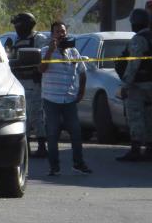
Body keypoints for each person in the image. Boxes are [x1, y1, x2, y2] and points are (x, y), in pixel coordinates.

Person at [39, 21, 92, 176]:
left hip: (69, 99)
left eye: (63, 31)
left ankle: (78, 163)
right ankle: (54, 167)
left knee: (76, 132)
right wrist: (50, 51)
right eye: (57, 32)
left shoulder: (73, 52)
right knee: (53, 134)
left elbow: (83, 72)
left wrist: (81, 91)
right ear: (52, 34)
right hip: (51, 99)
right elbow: (41, 69)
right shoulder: (44, 51)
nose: (61, 34)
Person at [8, 12, 49, 158]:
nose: (16, 28)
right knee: (21, 115)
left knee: (35, 114)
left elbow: (43, 57)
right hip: (18, 82)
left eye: (18, 25)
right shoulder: (17, 40)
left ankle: (42, 145)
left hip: (33, 81)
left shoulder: (39, 39)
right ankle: (25, 147)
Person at [117, 9, 152, 161]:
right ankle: (150, 149)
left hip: (138, 85)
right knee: (150, 116)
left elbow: (134, 64)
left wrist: (126, 84)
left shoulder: (139, 39)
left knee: (135, 116)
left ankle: (136, 149)